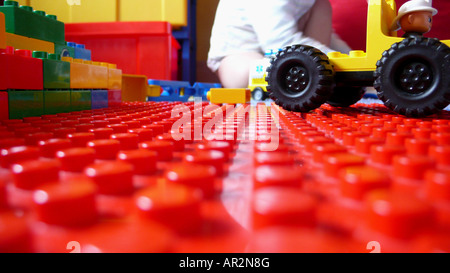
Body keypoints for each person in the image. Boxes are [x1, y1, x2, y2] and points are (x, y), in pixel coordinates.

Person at [207, 0, 352, 88]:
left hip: (287, 50)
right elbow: (279, 40)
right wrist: (337, 63)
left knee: (322, 5)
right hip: (238, 55)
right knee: (248, 74)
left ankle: (315, 74)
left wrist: (351, 61)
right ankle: (310, 74)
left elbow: (330, 38)